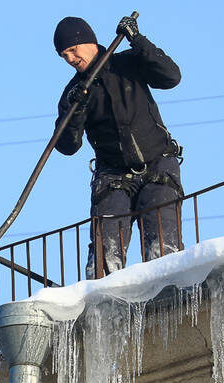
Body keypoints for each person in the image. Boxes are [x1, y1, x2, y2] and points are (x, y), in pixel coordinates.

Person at [53, 15, 184, 278]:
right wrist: (76, 109)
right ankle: (103, 306)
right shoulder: (75, 93)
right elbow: (67, 145)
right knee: (103, 261)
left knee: (163, 252)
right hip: (112, 178)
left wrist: (138, 40)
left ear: (88, 41)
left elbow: (171, 77)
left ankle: (167, 297)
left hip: (157, 167)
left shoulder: (127, 62)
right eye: (63, 55)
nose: (70, 58)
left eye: (72, 50)